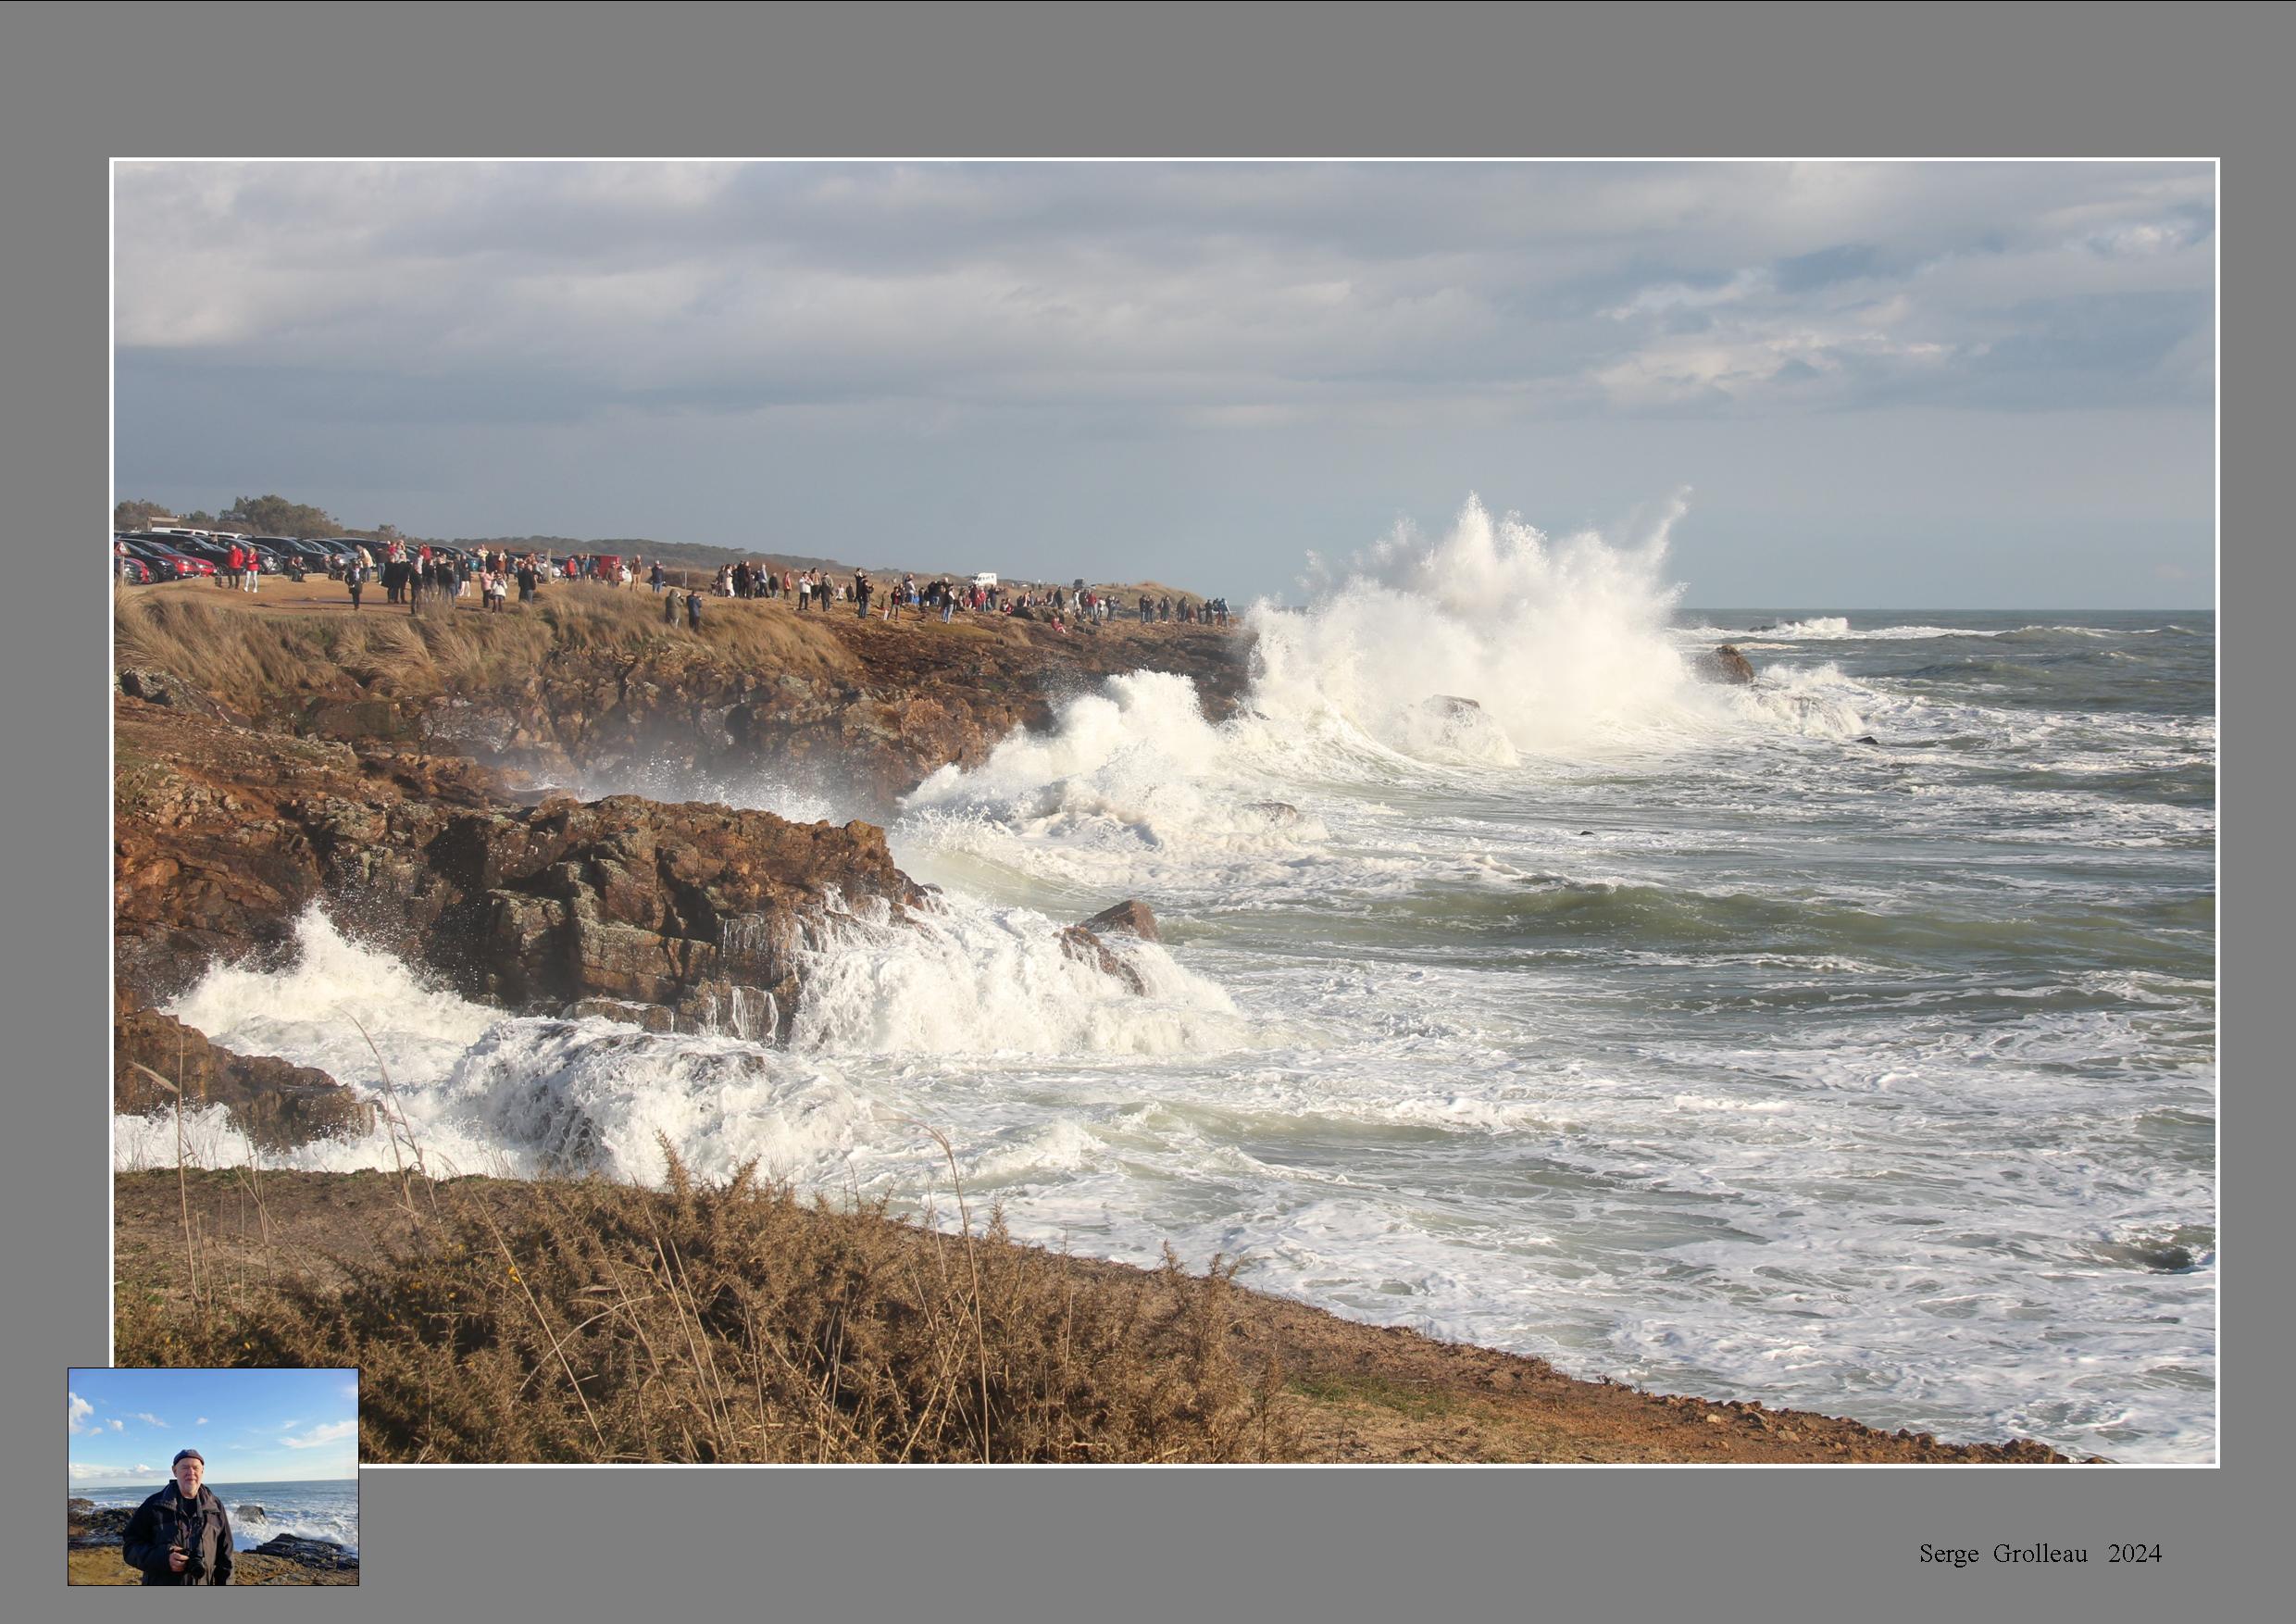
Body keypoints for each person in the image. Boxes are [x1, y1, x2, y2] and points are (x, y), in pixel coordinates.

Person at [121, 1449, 234, 1586]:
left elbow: (226, 1556)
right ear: (175, 1471)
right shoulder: (154, 1505)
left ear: (202, 1471)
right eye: (185, 1467)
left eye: (195, 1468)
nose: (191, 1473)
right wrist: (162, 1558)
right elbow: (130, 1547)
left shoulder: (215, 1507)